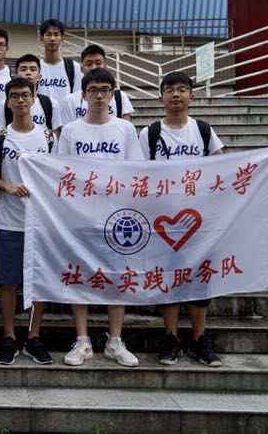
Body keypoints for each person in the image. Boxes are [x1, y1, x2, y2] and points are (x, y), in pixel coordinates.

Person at [58, 68, 143, 368]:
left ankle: (115, 340)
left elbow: (136, 171)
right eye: (93, 90)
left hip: (116, 217)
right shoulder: (70, 131)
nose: (99, 95)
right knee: (79, 274)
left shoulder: (125, 129)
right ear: (83, 95)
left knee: (117, 276)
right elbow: (61, 171)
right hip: (80, 215)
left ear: (112, 94)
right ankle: (82, 340)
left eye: (105, 90)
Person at [139, 71, 224, 367]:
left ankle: (200, 339)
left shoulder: (203, 130)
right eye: (169, 90)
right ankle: (171, 338)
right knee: (168, 278)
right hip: (162, 221)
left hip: (198, 220)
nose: (175, 94)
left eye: (182, 89)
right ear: (160, 97)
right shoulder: (150, 133)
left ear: (191, 95)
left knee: (199, 279)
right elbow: (138, 174)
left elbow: (222, 166)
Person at [0, 78, 56, 366]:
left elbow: (59, 176)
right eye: (14, 96)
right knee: (8, 283)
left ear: (34, 98)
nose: (20, 100)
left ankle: (33, 337)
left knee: (36, 283)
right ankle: (9, 337)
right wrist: (8, 186)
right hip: (9, 221)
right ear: (7, 101)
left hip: (40, 223)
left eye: (25, 95)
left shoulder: (48, 137)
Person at [60, 45, 135, 124]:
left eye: (98, 63)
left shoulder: (120, 97)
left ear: (105, 66)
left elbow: (125, 128)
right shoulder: (69, 101)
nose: (94, 67)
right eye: (89, 64)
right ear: (81, 68)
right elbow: (68, 130)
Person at [0, 54, 63, 138]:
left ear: (40, 76)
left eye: (33, 69)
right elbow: (0, 135)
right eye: (23, 69)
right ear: (15, 75)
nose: (28, 73)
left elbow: (55, 136)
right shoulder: (4, 104)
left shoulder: (51, 104)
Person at [37, 18, 82, 102]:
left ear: (62, 38)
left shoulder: (74, 67)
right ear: (41, 38)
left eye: (56, 34)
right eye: (48, 34)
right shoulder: (35, 67)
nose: (52, 38)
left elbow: (77, 98)